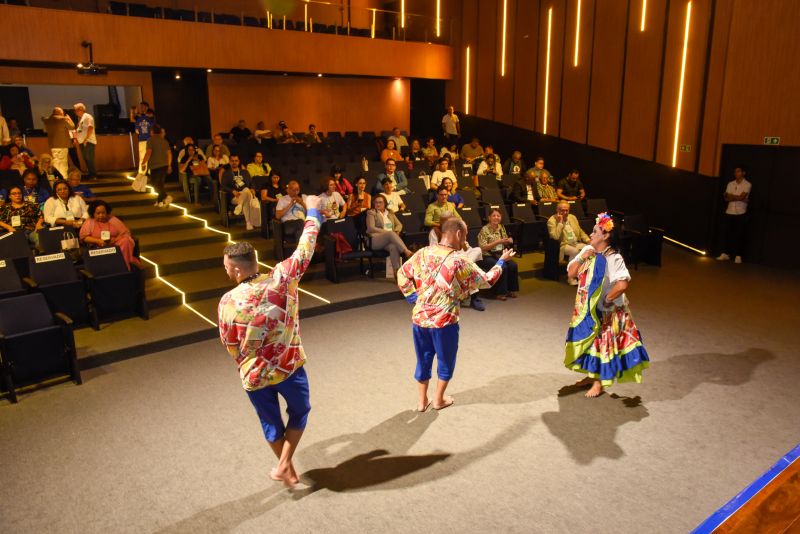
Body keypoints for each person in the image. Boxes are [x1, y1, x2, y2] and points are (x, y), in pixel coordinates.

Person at [218, 195, 324, 488]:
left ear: (238, 269)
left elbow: (229, 343)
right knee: (300, 412)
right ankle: (285, 465)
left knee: (270, 424)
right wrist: (313, 209)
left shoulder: (228, 301)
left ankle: (285, 467)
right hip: (289, 366)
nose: (226, 272)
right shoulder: (283, 279)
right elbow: (307, 246)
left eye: (226, 267)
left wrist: (247, 361)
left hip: (254, 373)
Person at [398, 217, 514, 411]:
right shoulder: (459, 260)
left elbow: (402, 274)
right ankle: (438, 400)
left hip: (420, 320)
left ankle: (421, 402)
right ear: (459, 233)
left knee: (423, 359)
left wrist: (414, 298)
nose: (465, 240)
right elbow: (487, 280)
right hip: (445, 322)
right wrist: (501, 262)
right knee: (445, 360)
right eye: (465, 235)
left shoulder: (423, 252)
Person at [564, 212, 650, 398]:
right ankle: (591, 376)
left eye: (595, 231)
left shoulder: (614, 258)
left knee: (602, 345)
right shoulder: (587, 250)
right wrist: (581, 257)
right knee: (588, 342)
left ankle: (599, 382)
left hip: (606, 311)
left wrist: (607, 300)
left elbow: (622, 284)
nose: (591, 234)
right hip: (587, 308)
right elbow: (571, 274)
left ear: (606, 235)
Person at [80, 200, 140, 269]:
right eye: (98, 213)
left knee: (127, 240)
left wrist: (115, 239)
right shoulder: (89, 222)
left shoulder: (113, 219)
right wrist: (98, 241)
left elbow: (125, 233)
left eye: (103, 213)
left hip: (115, 245)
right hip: (98, 247)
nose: (101, 215)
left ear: (107, 212)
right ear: (93, 213)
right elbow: (84, 237)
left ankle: (123, 266)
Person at [477, 208, 520, 299]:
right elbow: (483, 247)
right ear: (489, 218)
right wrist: (497, 242)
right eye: (494, 216)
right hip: (487, 256)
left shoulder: (501, 227)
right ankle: (500, 292)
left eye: (498, 216)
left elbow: (504, 242)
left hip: (499, 254)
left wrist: (509, 240)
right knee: (502, 266)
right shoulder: (484, 229)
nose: (496, 217)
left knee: (513, 265)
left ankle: (510, 290)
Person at [366, 194, 413, 275]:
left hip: (389, 239)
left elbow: (399, 225)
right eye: (376, 202)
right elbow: (371, 228)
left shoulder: (390, 213)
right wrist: (388, 233)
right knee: (391, 233)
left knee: (393, 247)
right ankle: (407, 252)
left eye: (380, 202)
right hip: (374, 240)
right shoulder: (371, 212)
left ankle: (397, 273)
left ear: (385, 203)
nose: (378, 204)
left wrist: (396, 232)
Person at [548, 201, 590, 285]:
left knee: (590, 249)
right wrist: (560, 223)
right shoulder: (552, 220)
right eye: (562, 210)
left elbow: (580, 231)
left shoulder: (572, 217)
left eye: (566, 210)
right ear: (557, 210)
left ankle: (584, 275)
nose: (564, 212)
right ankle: (571, 278)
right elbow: (555, 237)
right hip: (563, 245)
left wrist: (588, 240)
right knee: (575, 251)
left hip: (575, 242)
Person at [716, 166, 751, 264]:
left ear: (743, 173)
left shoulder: (747, 184)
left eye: (738, 171)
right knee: (727, 233)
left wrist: (736, 197)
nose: (736, 173)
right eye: (735, 171)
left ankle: (738, 255)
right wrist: (740, 198)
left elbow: (741, 196)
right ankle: (725, 253)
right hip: (729, 211)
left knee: (740, 234)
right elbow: (726, 198)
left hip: (741, 212)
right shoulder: (730, 184)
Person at [222, 155, 259, 230]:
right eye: (232, 161)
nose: (234, 162)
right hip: (235, 197)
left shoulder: (244, 172)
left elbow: (252, 182)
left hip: (246, 195)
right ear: (229, 162)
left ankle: (240, 206)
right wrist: (232, 191)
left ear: (238, 162)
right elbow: (224, 186)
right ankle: (248, 223)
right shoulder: (226, 173)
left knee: (246, 189)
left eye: (236, 161)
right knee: (246, 193)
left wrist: (252, 188)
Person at [140, 125, 173, 208]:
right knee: (160, 184)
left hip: (155, 166)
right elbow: (169, 154)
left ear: (152, 131)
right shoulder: (164, 141)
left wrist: (143, 163)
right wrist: (169, 165)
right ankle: (159, 201)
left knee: (155, 184)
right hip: (164, 165)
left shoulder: (150, 140)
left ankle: (166, 196)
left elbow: (148, 152)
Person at [41, 107, 75, 179]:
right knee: (63, 163)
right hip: (62, 144)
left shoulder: (47, 120)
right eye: (62, 112)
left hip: (53, 145)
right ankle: (63, 178)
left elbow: (45, 130)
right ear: (60, 112)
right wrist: (69, 118)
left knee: (56, 162)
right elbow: (72, 127)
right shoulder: (63, 119)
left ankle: (57, 177)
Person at [129, 101, 154, 181]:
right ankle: (142, 174)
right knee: (142, 157)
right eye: (140, 106)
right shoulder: (139, 117)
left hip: (149, 139)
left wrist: (138, 114)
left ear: (146, 107)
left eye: (142, 106)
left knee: (150, 156)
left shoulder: (150, 115)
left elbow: (151, 117)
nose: (141, 108)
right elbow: (133, 120)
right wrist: (132, 112)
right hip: (142, 139)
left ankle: (150, 173)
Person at [73, 103, 97, 180]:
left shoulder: (87, 116)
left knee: (89, 158)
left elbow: (90, 127)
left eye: (76, 110)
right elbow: (79, 131)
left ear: (81, 110)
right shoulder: (81, 119)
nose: (75, 112)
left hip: (88, 141)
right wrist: (75, 138)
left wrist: (86, 139)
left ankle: (93, 175)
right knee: (86, 158)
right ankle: (90, 174)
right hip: (82, 142)